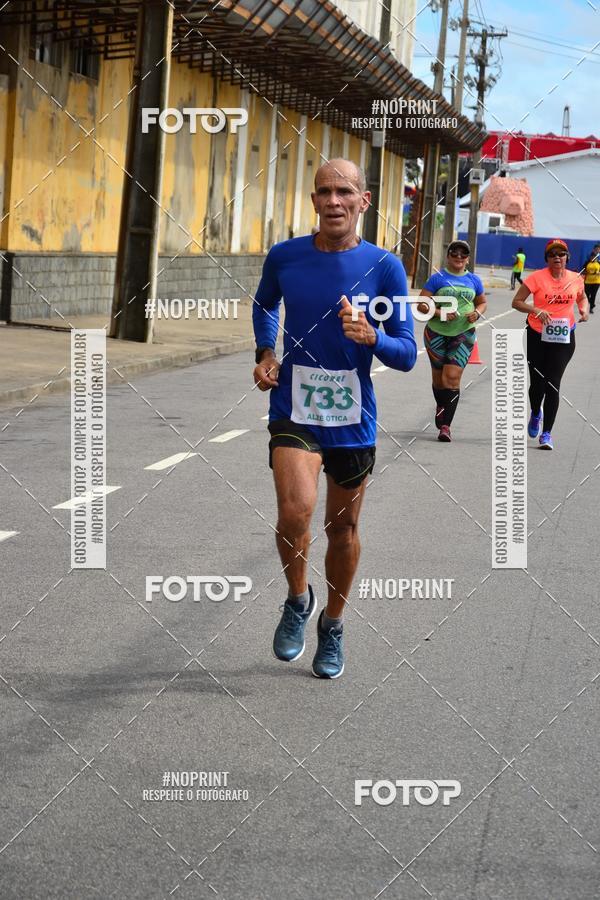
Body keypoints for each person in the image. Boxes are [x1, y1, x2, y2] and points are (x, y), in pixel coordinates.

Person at [252, 158, 417, 679]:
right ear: (314, 200)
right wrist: (265, 351)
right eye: (323, 191)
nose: (333, 201)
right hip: (294, 407)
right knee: (294, 513)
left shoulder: (384, 266)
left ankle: (334, 623)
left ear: (363, 201)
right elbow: (265, 304)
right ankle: (297, 599)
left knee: (341, 528)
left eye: (344, 191)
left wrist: (373, 337)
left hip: (352, 416)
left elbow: (408, 353)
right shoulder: (286, 256)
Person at [512, 238, 588, 450]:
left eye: (561, 254)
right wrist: (535, 310)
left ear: (567, 257)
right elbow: (516, 302)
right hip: (537, 335)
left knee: (553, 383)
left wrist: (583, 310)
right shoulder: (536, 278)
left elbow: (582, 298)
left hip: (563, 338)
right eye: (552, 254)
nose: (557, 257)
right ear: (547, 258)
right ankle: (536, 412)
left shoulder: (576, 279)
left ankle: (546, 434)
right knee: (537, 384)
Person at [417, 240, 487, 442]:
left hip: (463, 333)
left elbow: (482, 302)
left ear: (468, 259)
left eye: (463, 254)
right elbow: (421, 304)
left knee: (452, 377)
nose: (458, 257)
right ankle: (441, 405)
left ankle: (446, 426)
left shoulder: (474, 280)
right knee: (439, 380)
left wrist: (477, 313)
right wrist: (440, 312)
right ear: (448, 256)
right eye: (454, 253)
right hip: (436, 334)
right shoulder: (437, 278)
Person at [582, 246, 600, 313]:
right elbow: (583, 271)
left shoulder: (599, 263)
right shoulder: (587, 263)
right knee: (587, 294)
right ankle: (591, 302)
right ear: (590, 257)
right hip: (588, 281)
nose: (593, 258)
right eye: (592, 257)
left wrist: (598, 272)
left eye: (594, 257)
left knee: (593, 294)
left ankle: (591, 307)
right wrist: (587, 272)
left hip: (596, 281)